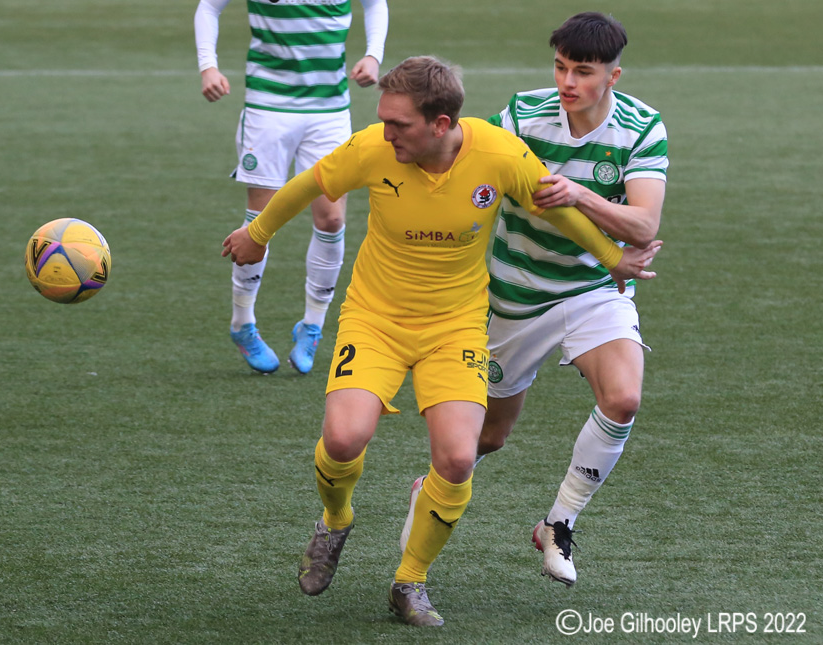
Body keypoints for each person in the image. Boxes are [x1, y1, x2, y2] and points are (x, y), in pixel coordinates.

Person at [224, 56, 661, 626]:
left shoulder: (498, 153)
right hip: (374, 320)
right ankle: (334, 521)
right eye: (384, 120)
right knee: (344, 438)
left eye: (398, 124)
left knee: (457, 458)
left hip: (455, 327)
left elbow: (553, 208)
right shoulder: (372, 149)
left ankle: (410, 582)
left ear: (441, 123)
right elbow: (310, 184)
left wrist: (611, 258)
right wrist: (256, 234)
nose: (386, 133)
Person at [400, 12, 668, 588]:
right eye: (561, 67)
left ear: (613, 76)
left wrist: (579, 194)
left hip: (592, 290)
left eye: (583, 72)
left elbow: (645, 225)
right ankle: (432, 488)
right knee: (489, 437)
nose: (567, 82)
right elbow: (465, 154)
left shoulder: (642, 128)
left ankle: (558, 523)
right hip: (515, 296)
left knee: (623, 398)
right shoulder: (522, 115)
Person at [194, 0, 389, 374]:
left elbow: (374, 3)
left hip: (329, 111)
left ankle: (312, 325)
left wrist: (373, 55)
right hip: (268, 107)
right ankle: (242, 322)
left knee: (332, 220)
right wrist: (208, 66)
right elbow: (209, 7)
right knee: (259, 222)